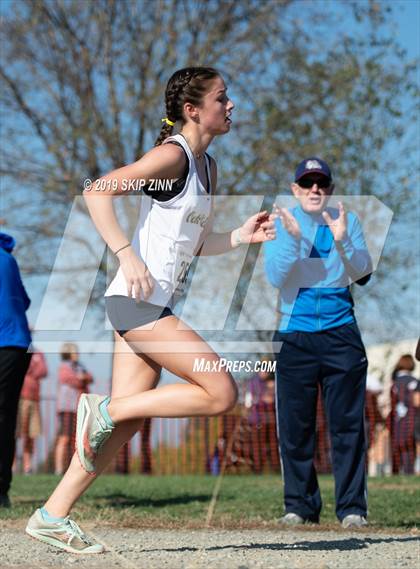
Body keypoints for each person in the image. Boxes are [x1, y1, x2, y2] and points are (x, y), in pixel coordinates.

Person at [26, 66, 276, 553]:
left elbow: (194, 244)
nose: (231, 106)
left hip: (150, 303)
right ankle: (104, 408)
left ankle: (52, 514)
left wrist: (240, 237)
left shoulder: (209, 167)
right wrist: (125, 253)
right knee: (221, 390)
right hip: (136, 303)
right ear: (193, 110)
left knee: (122, 427)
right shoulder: (171, 156)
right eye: (222, 98)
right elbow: (96, 190)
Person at [264, 157, 372, 528]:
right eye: (307, 184)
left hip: (342, 335)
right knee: (295, 428)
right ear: (295, 189)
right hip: (295, 337)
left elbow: (363, 275)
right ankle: (300, 506)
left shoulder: (348, 221)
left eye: (322, 184)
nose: (315, 190)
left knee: (348, 427)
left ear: (330, 189)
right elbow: (277, 277)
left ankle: (352, 509)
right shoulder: (281, 223)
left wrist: (342, 242)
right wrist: (293, 240)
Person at [0, 232, 32, 507]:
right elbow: (24, 300)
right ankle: (1, 492)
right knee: (5, 417)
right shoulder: (8, 258)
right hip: (16, 346)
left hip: (7, 342)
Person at [55, 343, 93, 475]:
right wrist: (81, 379)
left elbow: (90, 377)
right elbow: (73, 380)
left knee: (76, 440)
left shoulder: (80, 366)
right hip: (67, 407)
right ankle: (59, 468)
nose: (77, 354)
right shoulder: (64, 368)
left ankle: (71, 468)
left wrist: (83, 378)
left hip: (77, 407)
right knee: (64, 438)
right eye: (75, 352)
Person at [15, 347, 48, 474]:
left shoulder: (38, 352)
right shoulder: (17, 350)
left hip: (34, 399)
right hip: (19, 398)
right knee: (15, 434)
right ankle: (11, 465)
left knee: (31, 434)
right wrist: (32, 367)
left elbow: (43, 370)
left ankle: (27, 466)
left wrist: (29, 367)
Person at [388, 354, 419, 475]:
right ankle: (409, 471)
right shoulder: (415, 382)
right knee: (410, 448)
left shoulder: (394, 383)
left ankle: (398, 472)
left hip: (397, 421)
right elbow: (417, 402)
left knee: (398, 447)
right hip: (413, 420)